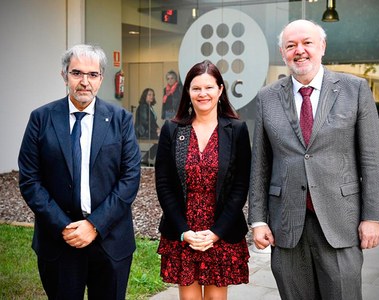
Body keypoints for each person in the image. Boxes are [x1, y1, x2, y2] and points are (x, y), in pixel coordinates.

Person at [248, 19, 379, 300]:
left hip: (340, 222)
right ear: (283, 53)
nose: (299, 51)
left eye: (307, 43)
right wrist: (258, 220)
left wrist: (372, 216)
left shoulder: (355, 89)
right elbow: (260, 164)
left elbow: (371, 158)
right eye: (291, 45)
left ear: (322, 46)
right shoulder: (267, 98)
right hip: (287, 224)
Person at [18, 44, 141, 300]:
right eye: (77, 73)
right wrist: (64, 226)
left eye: (92, 74)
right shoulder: (41, 118)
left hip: (110, 241)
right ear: (64, 75)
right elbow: (30, 179)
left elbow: (129, 178)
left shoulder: (121, 120)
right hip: (59, 240)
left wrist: (95, 225)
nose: (84, 81)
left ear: (101, 79)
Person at [155, 60, 251, 300]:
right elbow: (164, 184)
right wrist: (184, 231)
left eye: (209, 87)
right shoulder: (173, 129)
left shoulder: (236, 130)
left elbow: (240, 186)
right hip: (184, 229)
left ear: (220, 90)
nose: (203, 94)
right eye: (196, 88)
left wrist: (216, 232)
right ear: (188, 92)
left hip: (220, 228)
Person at [135, 88, 160, 164]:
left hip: (148, 130)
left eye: (153, 95)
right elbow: (146, 122)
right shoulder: (143, 106)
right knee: (162, 140)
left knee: (163, 139)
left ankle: (146, 157)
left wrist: (158, 128)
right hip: (143, 132)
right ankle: (146, 157)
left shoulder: (149, 107)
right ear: (145, 96)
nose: (151, 96)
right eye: (149, 94)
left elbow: (152, 121)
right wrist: (156, 130)